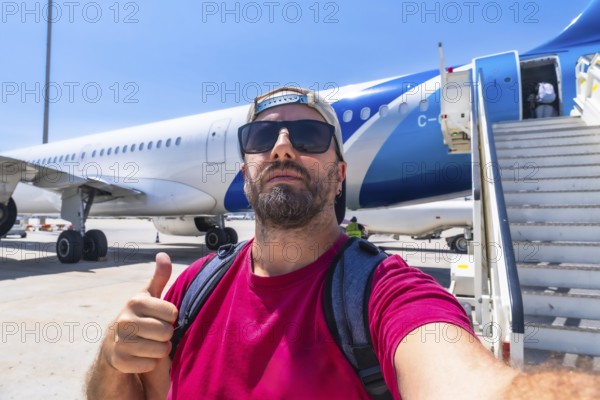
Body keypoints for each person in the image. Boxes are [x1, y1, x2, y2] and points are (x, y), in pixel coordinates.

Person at [86, 86, 599, 399]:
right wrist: (112, 357)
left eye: (307, 137)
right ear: (245, 171)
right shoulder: (191, 289)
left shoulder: (382, 294)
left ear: (339, 175)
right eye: (262, 140)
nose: (282, 147)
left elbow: (465, 381)